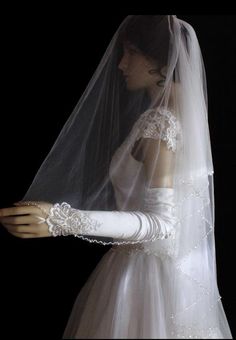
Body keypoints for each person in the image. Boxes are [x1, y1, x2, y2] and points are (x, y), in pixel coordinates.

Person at [0, 15, 233, 339]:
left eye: (131, 52)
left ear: (161, 63)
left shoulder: (160, 125)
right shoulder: (176, 119)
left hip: (144, 282)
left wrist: (61, 220)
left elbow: (163, 225)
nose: (121, 64)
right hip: (171, 277)